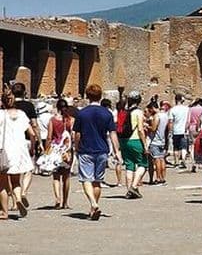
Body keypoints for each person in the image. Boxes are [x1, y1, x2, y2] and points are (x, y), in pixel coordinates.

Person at [73, 84, 123, 221]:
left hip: (86, 149)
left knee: (86, 179)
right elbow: (113, 133)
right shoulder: (107, 113)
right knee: (97, 181)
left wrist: (76, 147)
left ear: (87, 96)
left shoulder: (82, 113)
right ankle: (93, 207)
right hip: (102, 150)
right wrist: (117, 151)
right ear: (100, 96)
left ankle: (93, 203)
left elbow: (77, 134)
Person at [0, 89, 37, 219]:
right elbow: (32, 133)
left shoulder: (0, 115)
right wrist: (33, 147)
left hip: (4, 151)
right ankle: (18, 199)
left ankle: (4, 212)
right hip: (19, 150)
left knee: (2, 184)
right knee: (16, 181)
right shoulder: (21, 114)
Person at [11, 83, 40, 207]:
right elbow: (34, 125)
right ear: (24, 93)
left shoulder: (9, 106)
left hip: (11, 141)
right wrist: (38, 141)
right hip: (27, 140)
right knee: (28, 169)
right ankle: (24, 192)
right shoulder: (29, 106)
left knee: (13, 172)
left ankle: (14, 202)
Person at [46, 98, 75, 208]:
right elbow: (73, 135)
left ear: (57, 108)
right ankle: (65, 202)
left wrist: (47, 151)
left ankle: (58, 198)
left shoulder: (52, 120)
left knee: (56, 176)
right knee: (66, 176)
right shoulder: (71, 120)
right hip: (67, 151)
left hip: (55, 150)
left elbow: (49, 137)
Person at [119, 92, 148, 199]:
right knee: (143, 164)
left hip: (123, 141)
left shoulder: (124, 112)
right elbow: (140, 129)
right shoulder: (138, 112)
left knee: (129, 165)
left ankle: (129, 191)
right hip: (135, 140)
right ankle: (134, 186)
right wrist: (145, 145)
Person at [147, 101, 169, 186]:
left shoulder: (157, 116)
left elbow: (153, 128)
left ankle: (158, 178)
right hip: (162, 140)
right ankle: (163, 178)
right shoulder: (165, 115)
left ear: (153, 108)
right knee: (162, 159)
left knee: (157, 160)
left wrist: (147, 126)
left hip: (155, 141)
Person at [168, 94, 190, 169]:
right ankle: (183, 160)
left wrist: (170, 131)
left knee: (176, 147)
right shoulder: (187, 109)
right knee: (184, 147)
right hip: (184, 131)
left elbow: (171, 122)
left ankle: (176, 162)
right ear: (182, 100)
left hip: (176, 131)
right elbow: (188, 121)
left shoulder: (172, 109)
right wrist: (186, 129)